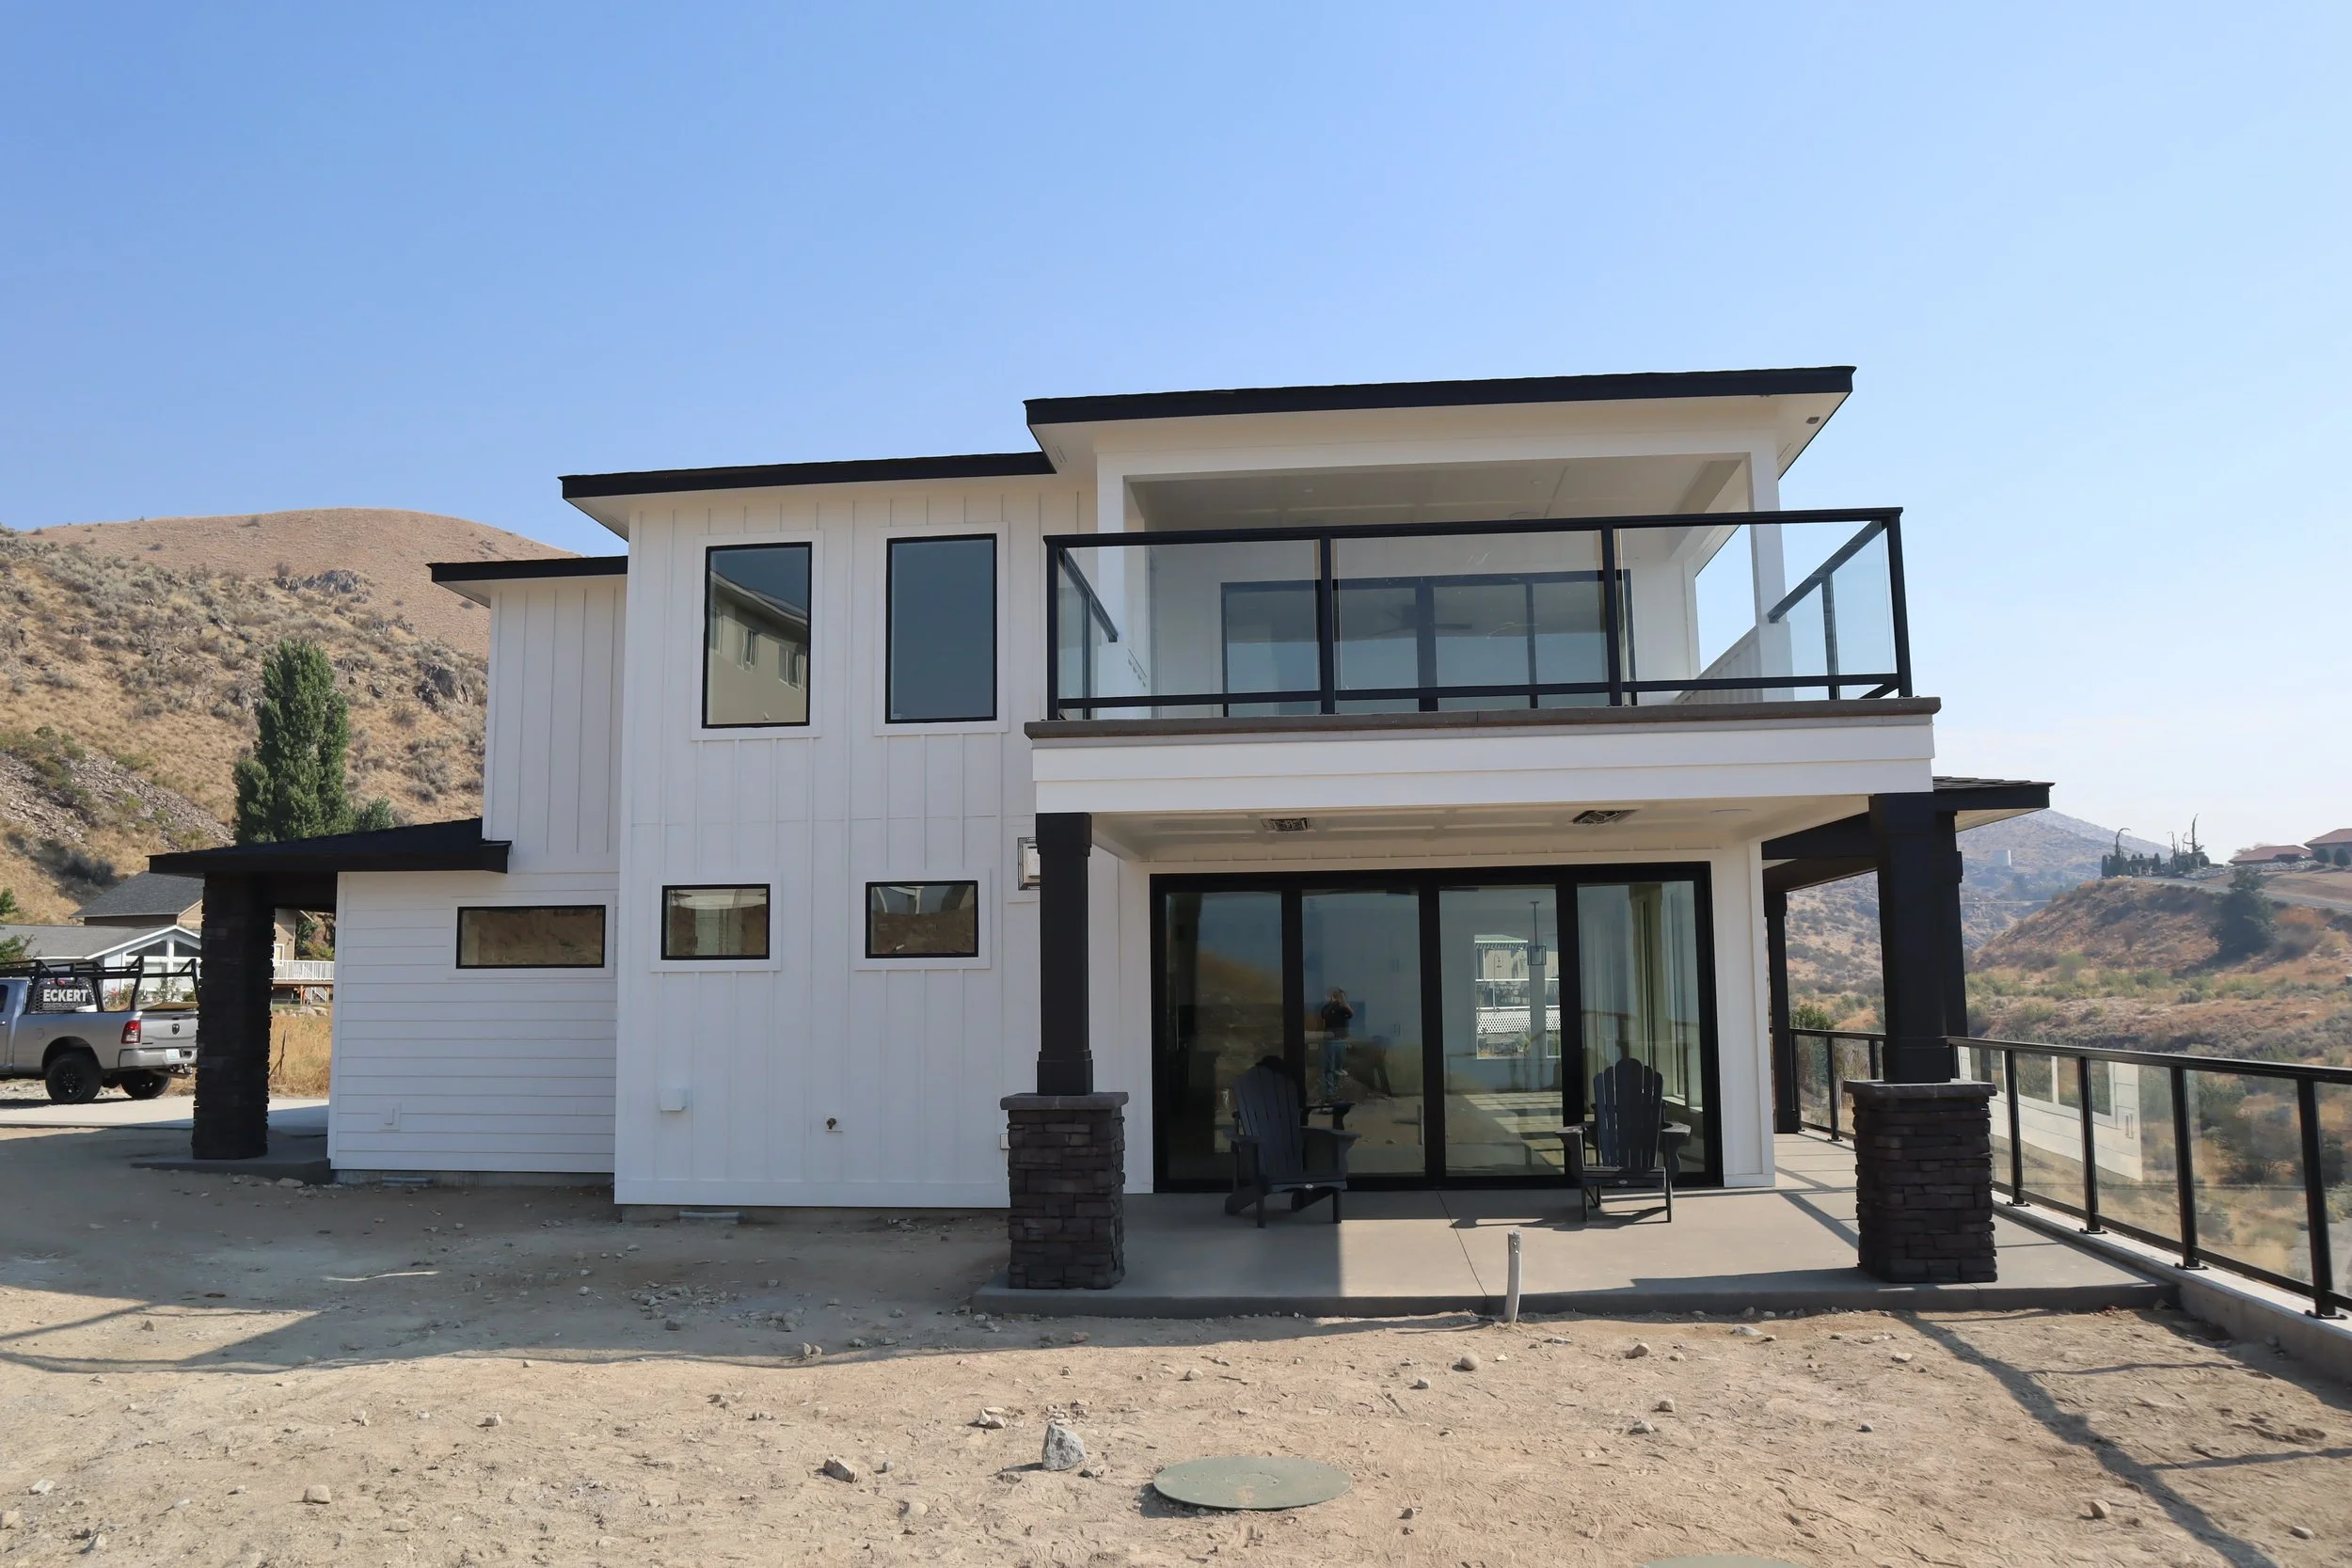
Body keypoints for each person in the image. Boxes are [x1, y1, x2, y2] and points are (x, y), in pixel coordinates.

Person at [1317, 988, 1355, 1100]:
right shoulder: (1328, 1008)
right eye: (1339, 996)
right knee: (1330, 1067)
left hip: (1339, 1040)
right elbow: (1325, 1015)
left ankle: (1334, 1090)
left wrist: (1343, 1003)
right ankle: (1330, 1092)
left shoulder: (1343, 1008)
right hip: (1332, 1040)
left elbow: (1351, 1014)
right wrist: (1333, 1002)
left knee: (1337, 1067)